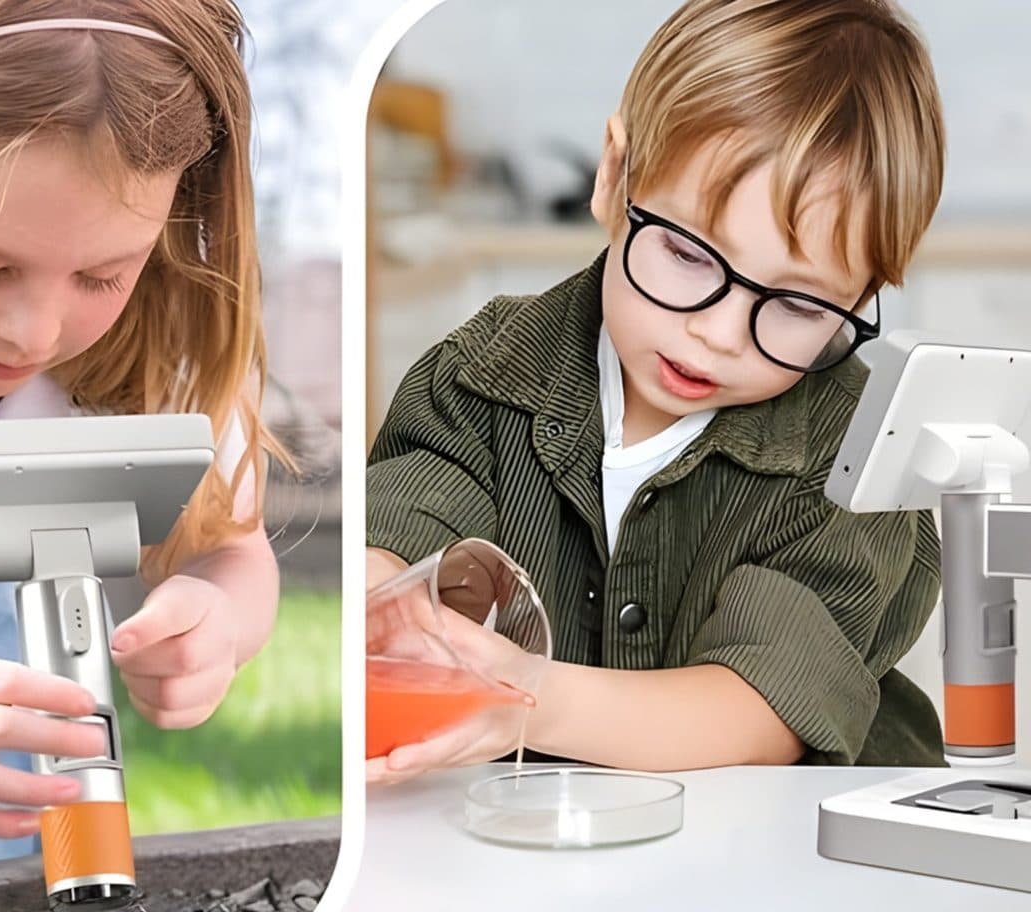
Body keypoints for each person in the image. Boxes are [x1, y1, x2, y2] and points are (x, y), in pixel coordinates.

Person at [366, 0, 947, 783]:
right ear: (614, 177)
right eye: (687, 255)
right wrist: (377, 607)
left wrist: (527, 699)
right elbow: (396, 545)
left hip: (787, 859)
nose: (720, 332)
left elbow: (756, 709)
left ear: (863, 293)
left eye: (799, 304)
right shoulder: (485, 374)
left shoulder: (855, 458)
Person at [0, 0, 280, 884]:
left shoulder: (166, 333)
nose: (31, 332)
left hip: (2, 703)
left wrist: (218, 622)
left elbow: (234, 553)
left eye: (101, 275)